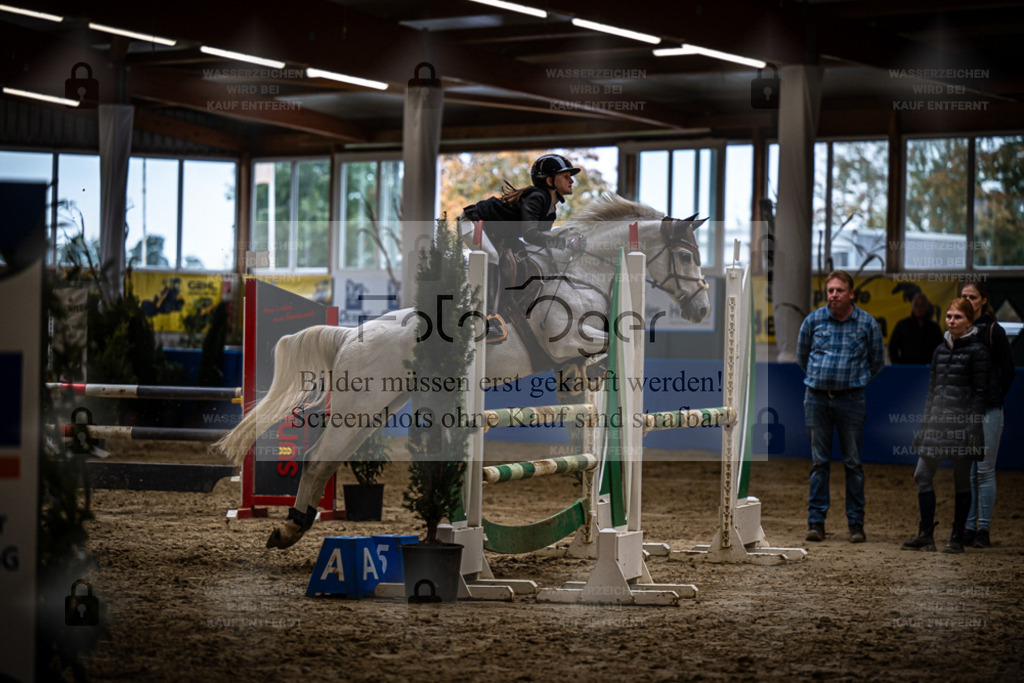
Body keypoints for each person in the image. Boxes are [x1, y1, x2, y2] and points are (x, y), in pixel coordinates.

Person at [797, 270, 884, 543]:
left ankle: (856, 524)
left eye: (839, 290)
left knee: (853, 464)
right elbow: (802, 356)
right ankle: (816, 523)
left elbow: (877, 361)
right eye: (830, 290)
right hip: (817, 398)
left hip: (851, 400)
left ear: (851, 294)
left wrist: (856, 380)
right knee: (819, 463)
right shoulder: (813, 321)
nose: (833, 295)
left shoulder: (867, 324)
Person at [459, 153, 584, 341]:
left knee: (522, 257)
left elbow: (539, 242)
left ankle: (509, 307)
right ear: (550, 180)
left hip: (496, 233)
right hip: (473, 222)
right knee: (492, 256)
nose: (571, 181)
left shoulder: (550, 209)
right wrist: (565, 243)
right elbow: (530, 234)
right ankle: (488, 318)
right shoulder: (537, 196)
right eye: (566, 176)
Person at [903, 298, 990, 553]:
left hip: (963, 426)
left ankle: (956, 537)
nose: (951, 320)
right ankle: (926, 534)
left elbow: (981, 394)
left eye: (957, 317)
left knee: (962, 482)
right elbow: (932, 392)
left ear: (970, 321)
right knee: (921, 475)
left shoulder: (979, 352)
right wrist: (924, 425)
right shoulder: (940, 350)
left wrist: (972, 427)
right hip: (937, 426)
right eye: (949, 316)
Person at [959, 282, 1016, 548]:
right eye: (964, 297)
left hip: (989, 409)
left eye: (972, 296)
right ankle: (969, 527)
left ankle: (983, 529)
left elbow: (1009, 371)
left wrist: (994, 397)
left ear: (983, 300)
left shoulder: (995, 331)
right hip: (966, 411)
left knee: (984, 470)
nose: (968, 300)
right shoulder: (958, 330)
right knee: (970, 471)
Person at [889, 293, 943, 364]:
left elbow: (940, 349)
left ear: (926, 307)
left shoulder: (934, 327)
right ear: (912, 307)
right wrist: (897, 365)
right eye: (916, 305)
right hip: (907, 369)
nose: (919, 308)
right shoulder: (902, 325)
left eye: (921, 305)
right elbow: (892, 347)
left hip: (928, 369)